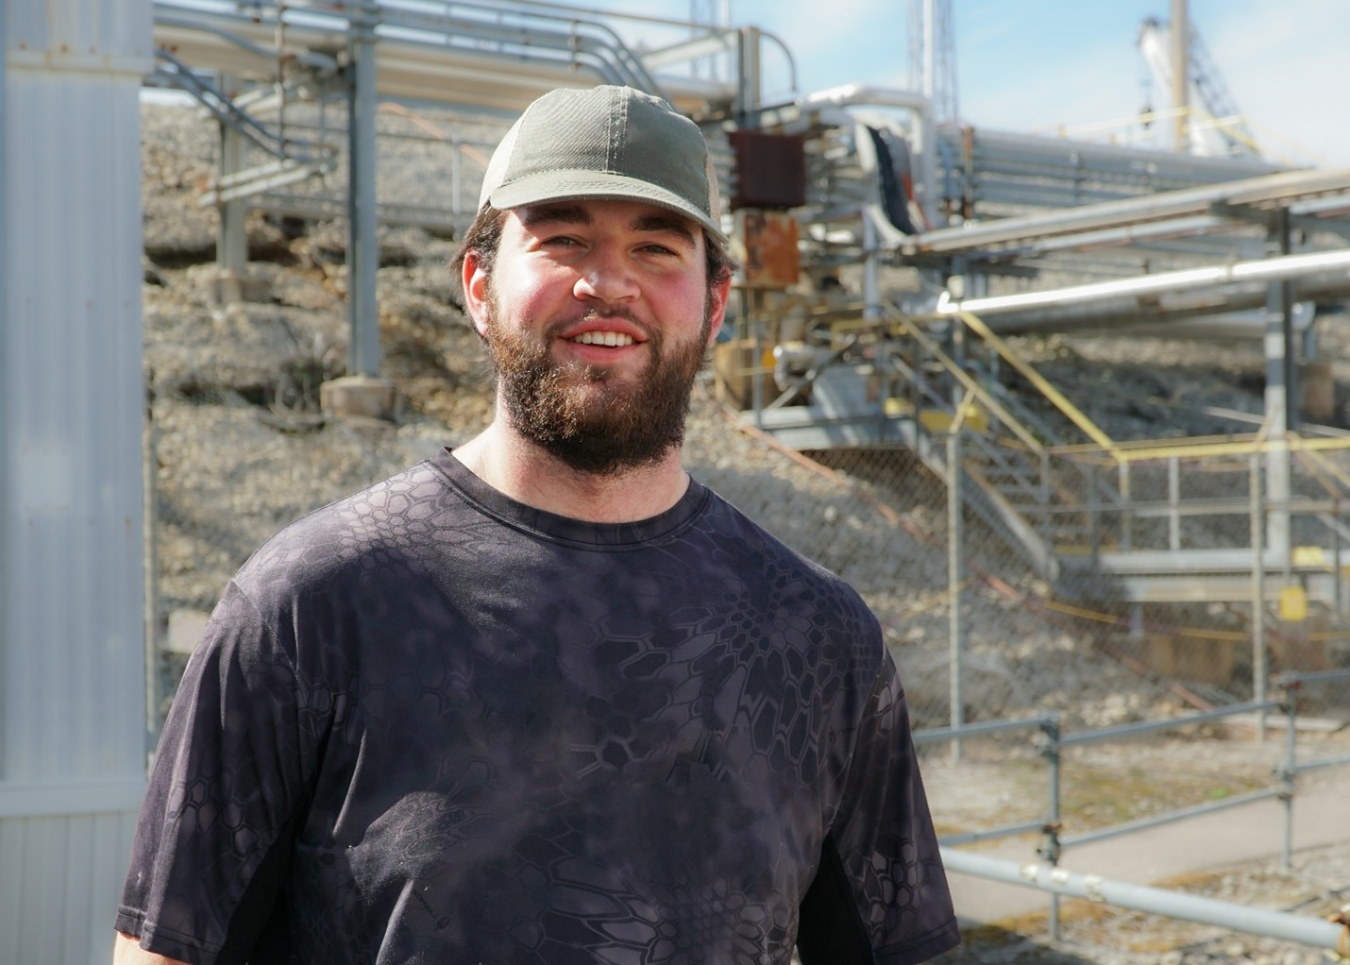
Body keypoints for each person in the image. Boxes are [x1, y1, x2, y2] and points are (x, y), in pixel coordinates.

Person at [114, 84, 960, 965]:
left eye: (656, 246)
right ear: (480, 287)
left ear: (713, 305)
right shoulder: (307, 609)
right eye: (562, 240)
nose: (608, 282)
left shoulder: (821, 640)